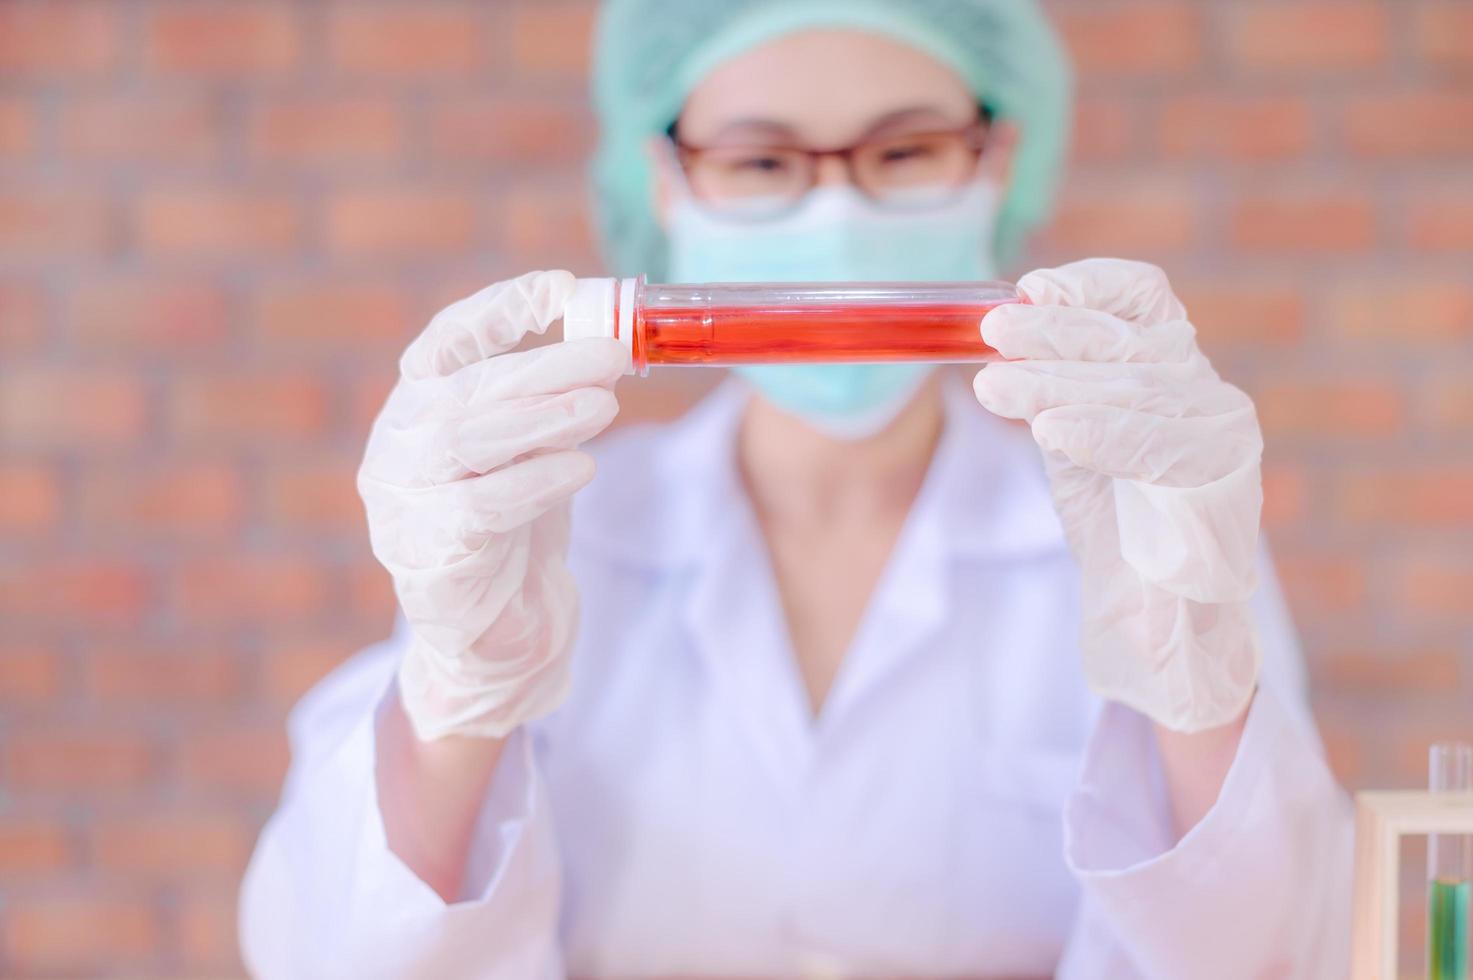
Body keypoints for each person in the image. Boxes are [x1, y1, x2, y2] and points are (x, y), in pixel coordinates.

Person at [240, 1, 1352, 977]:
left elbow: (1298, 951)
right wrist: (454, 703)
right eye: (761, 162)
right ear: (664, 183)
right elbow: (328, 956)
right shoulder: (531, 533)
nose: (837, 215)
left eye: (906, 151)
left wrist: (1194, 704)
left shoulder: (1159, 539)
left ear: (998, 164)